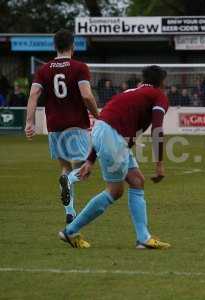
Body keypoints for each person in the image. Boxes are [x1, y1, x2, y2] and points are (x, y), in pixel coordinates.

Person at [58, 65, 170, 250]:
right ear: (162, 84)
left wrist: (90, 159)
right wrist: (159, 164)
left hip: (103, 131)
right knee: (114, 191)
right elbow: (157, 128)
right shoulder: (158, 95)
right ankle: (70, 231)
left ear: (142, 81)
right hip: (113, 137)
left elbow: (107, 121)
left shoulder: (132, 92)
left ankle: (143, 237)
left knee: (136, 180)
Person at [25, 29, 99, 224]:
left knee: (65, 167)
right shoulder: (79, 67)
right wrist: (98, 114)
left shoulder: (43, 70)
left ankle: (70, 212)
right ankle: (69, 183)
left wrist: (29, 122)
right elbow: (86, 95)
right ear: (72, 46)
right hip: (76, 124)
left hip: (55, 126)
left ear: (54, 46)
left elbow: (33, 95)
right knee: (85, 166)